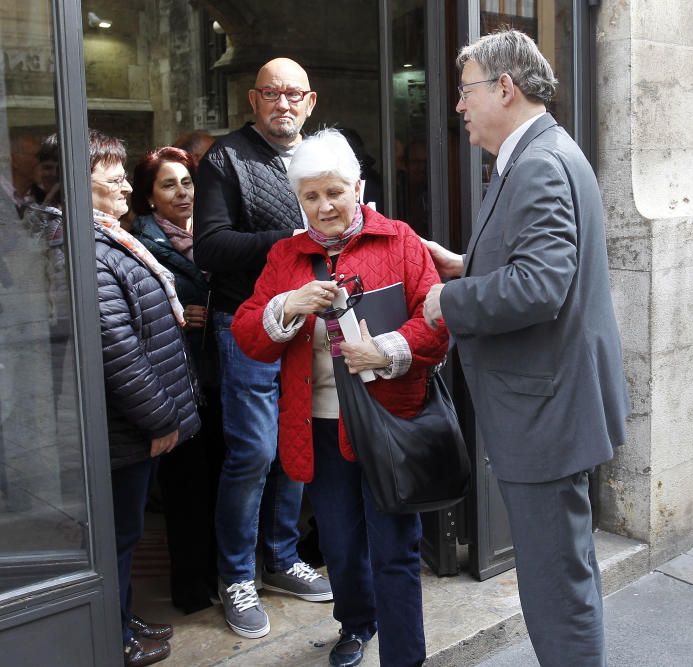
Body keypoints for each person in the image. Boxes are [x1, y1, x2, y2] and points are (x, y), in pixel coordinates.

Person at [421, 30, 630, 667]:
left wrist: (447, 303)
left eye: (466, 91)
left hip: (546, 412)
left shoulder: (538, 161)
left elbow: (541, 285)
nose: (459, 107)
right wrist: (467, 266)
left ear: (504, 89)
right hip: (551, 404)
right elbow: (538, 265)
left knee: (555, 583)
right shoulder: (543, 151)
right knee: (563, 570)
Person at [232, 128, 447, 667]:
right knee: (340, 544)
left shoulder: (400, 241)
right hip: (319, 427)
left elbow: (437, 325)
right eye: (311, 196)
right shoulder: (286, 255)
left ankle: (405, 656)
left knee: (395, 549)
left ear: (358, 187)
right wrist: (288, 304)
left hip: (389, 420)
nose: (324, 206)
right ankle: (356, 623)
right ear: (298, 199)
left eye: (334, 192)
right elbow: (248, 337)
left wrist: (389, 350)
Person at [193, 57, 332, 639]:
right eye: (272, 94)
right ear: (253, 100)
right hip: (246, 324)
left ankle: (281, 558)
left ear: (311, 100)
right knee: (252, 453)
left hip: (309, 325)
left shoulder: (324, 155)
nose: (283, 104)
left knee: (297, 445)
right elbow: (212, 248)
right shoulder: (225, 159)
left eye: (293, 94)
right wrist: (294, 241)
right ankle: (237, 576)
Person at [90, 129, 201, 666]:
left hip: (130, 426)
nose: (125, 189)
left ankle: (119, 617)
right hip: (126, 425)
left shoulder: (109, 237)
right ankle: (112, 637)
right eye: (113, 179)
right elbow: (118, 348)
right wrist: (161, 418)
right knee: (116, 537)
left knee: (126, 534)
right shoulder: (92, 250)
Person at [132, 146, 224, 613]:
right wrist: (176, 317)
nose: (182, 192)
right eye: (168, 185)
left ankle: (218, 575)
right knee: (186, 489)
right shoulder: (142, 244)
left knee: (218, 479)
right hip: (177, 379)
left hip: (216, 373)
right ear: (149, 197)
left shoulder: (208, 233)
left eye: (187, 182)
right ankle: (190, 587)